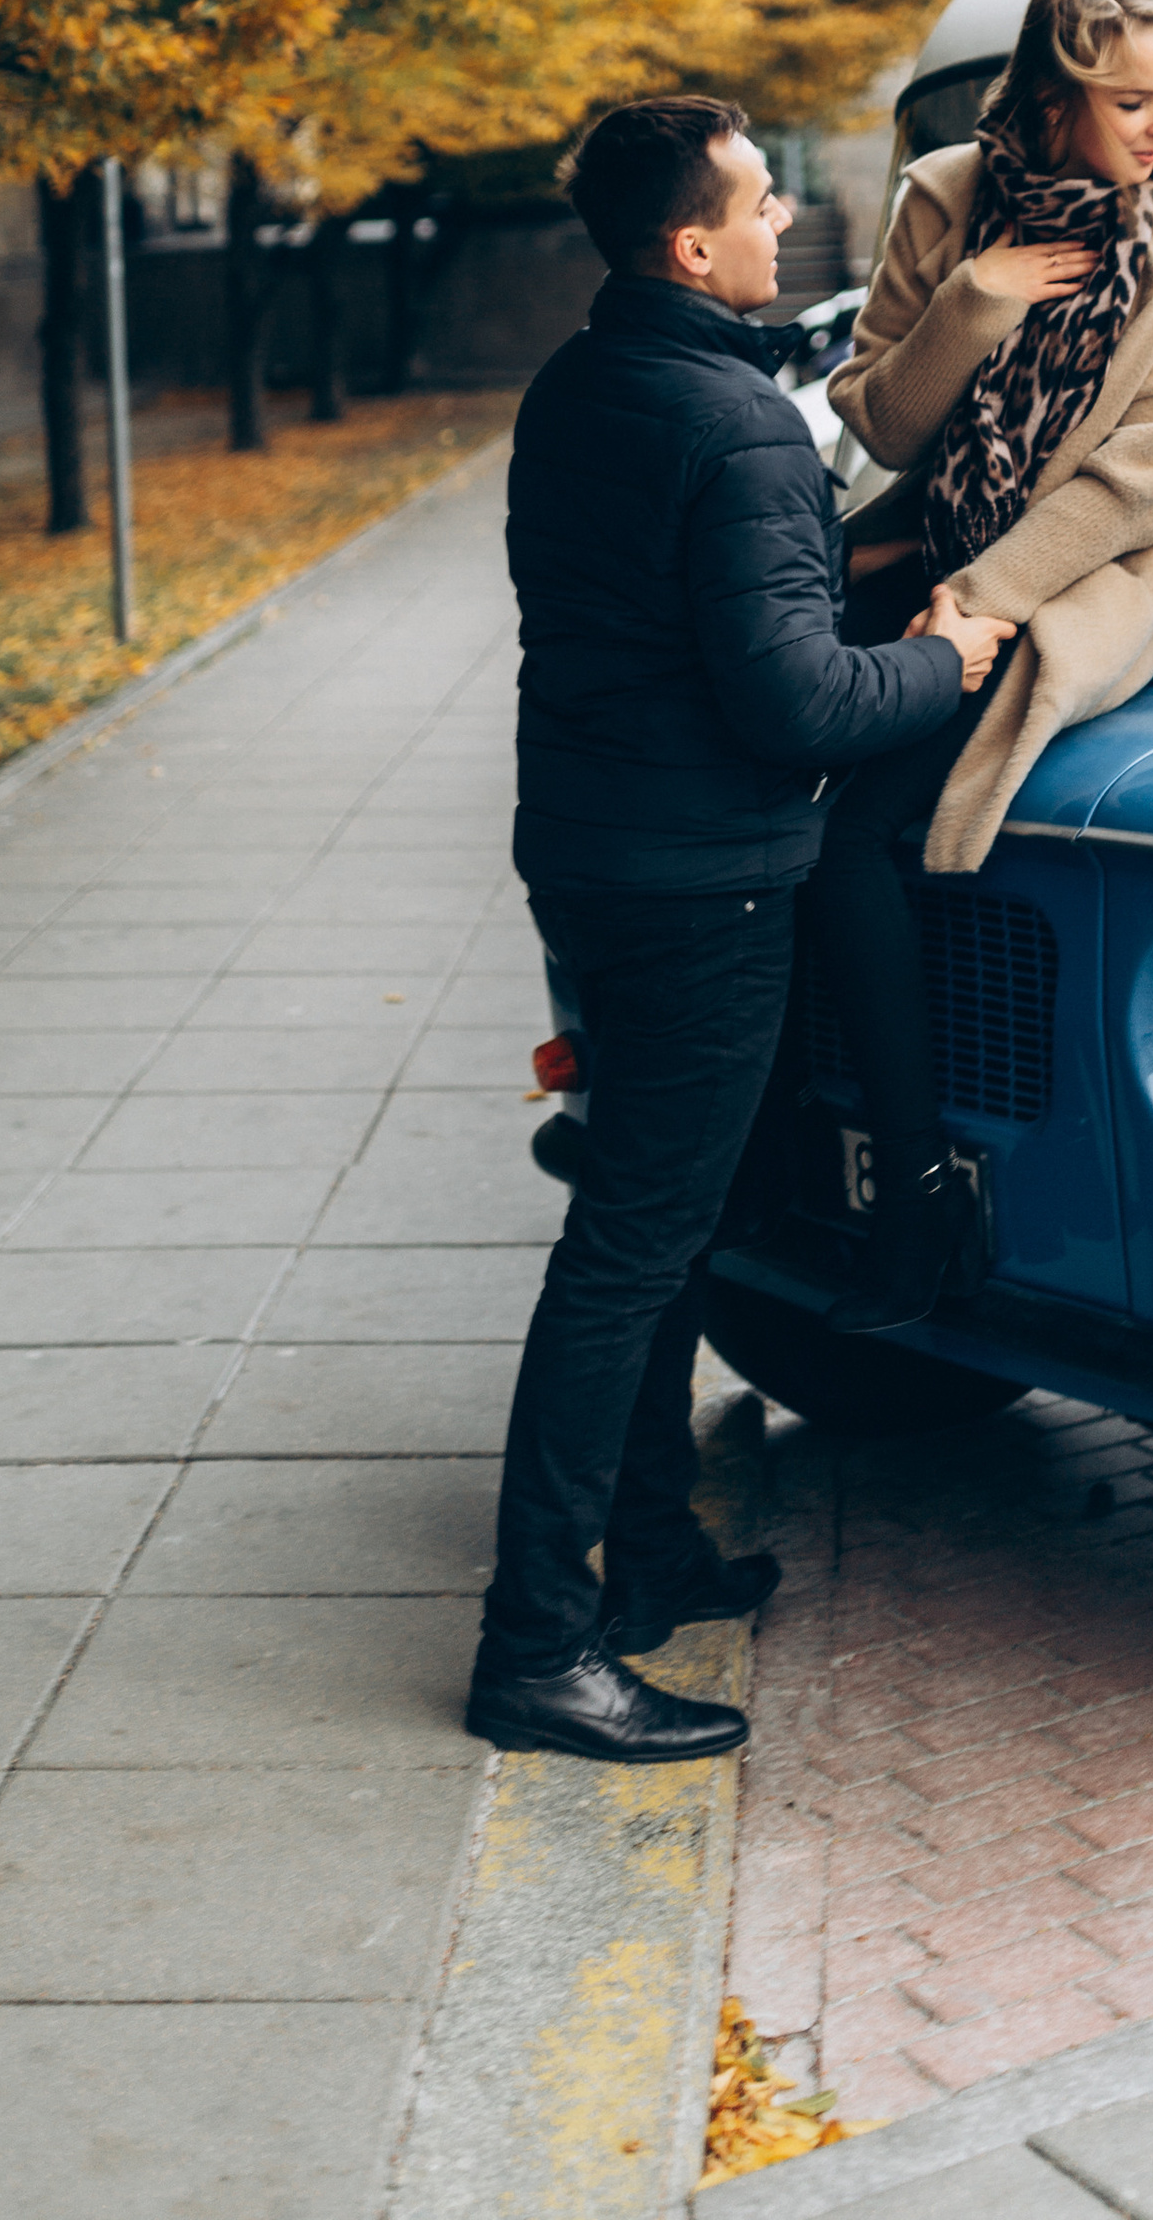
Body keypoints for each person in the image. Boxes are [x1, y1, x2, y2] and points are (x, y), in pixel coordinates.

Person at [469, 93, 1010, 1766]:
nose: (789, 226)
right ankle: (538, 1645)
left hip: (592, 857)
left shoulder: (579, 386)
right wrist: (948, 659)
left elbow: (663, 618)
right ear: (693, 245)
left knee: (660, 1232)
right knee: (632, 1252)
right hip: (704, 883)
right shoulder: (740, 422)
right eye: (764, 205)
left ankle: (652, 1558)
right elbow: (791, 701)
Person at [815, 0, 1153, 1331]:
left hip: (1070, 592)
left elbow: (1151, 477)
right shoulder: (947, 197)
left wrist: (987, 597)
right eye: (1131, 101)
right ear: (1055, 102)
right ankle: (774, 1148)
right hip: (916, 570)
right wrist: (978, 302)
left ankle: (922, 1181)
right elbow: (880, 421)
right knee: (755, 815)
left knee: (857, 841)